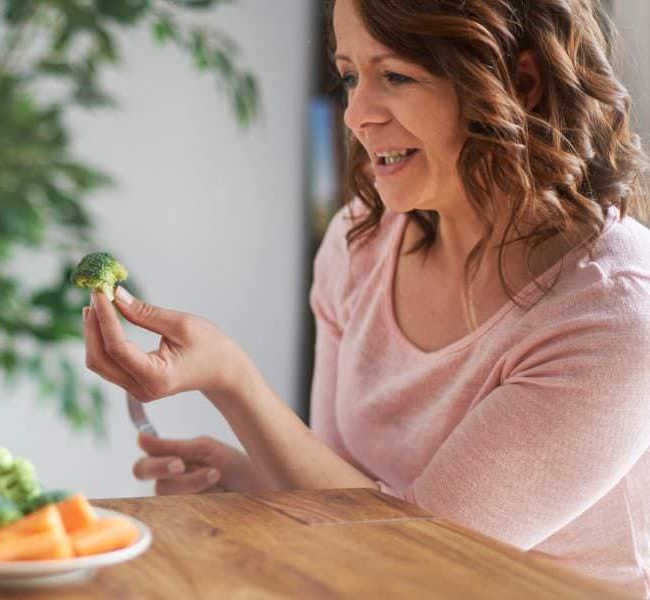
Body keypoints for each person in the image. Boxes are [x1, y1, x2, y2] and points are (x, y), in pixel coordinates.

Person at [84, 0, 650, 593]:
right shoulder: (362, 241)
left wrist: (232, 381)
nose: (357, 114)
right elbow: (353, 499)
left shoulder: (613, 311)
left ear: (522, 82)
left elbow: (426, 567)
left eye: (396, 76)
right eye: (350, 75)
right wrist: (247, 479)